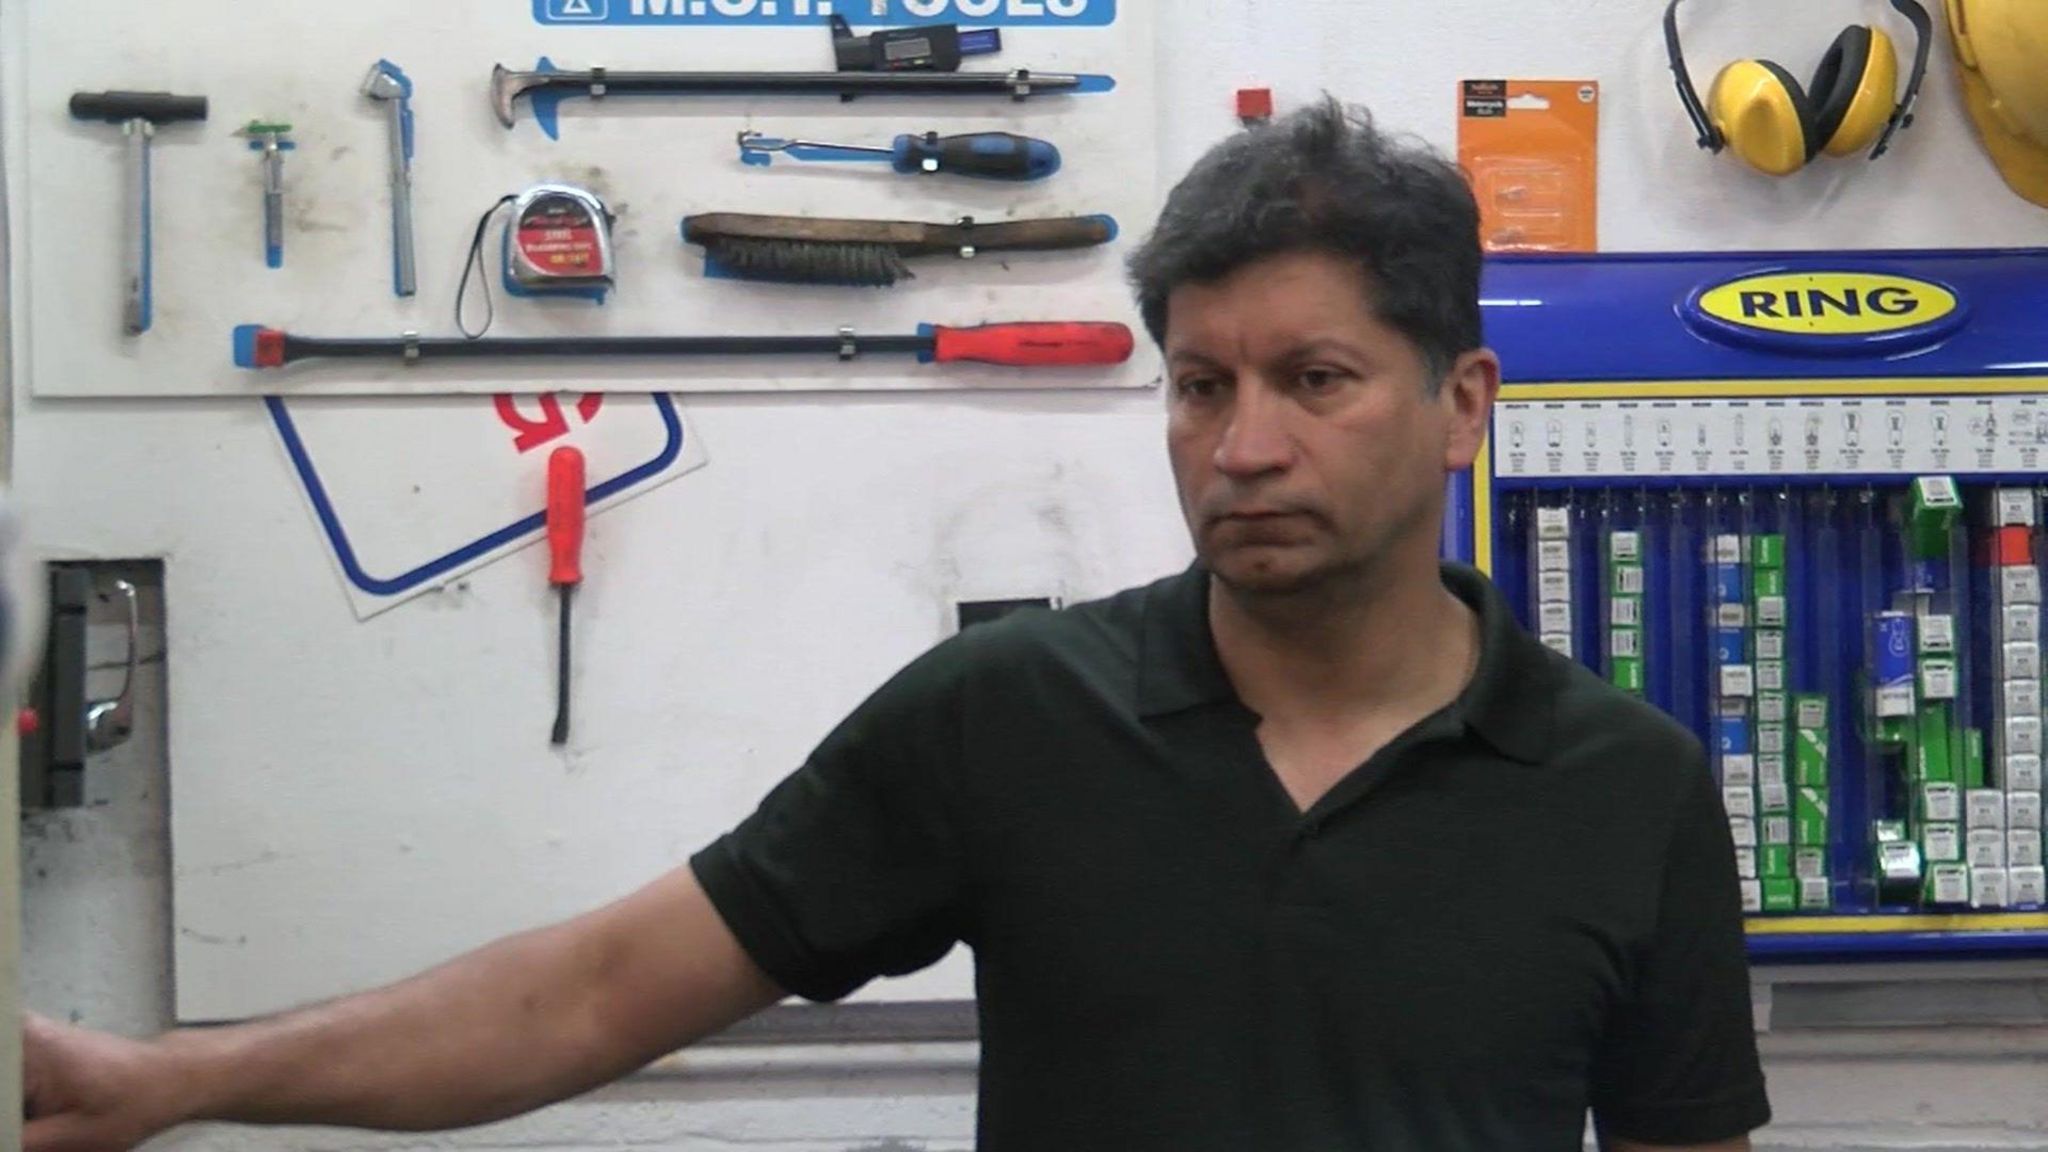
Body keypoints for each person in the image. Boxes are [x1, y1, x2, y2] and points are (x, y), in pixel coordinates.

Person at [22, 98, 1770, 1152]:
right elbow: (595, 992)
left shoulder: (1622, 788)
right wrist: (177, 1081)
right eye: (1200, 385)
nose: (1242, 446)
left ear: (1461, 401)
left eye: (1316, 381)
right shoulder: (1007, 718)